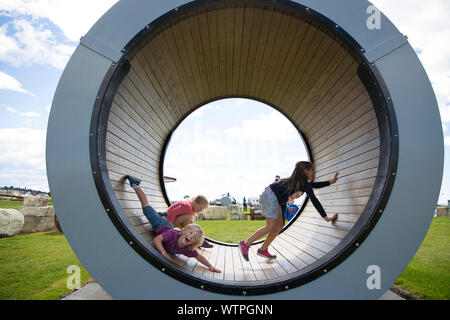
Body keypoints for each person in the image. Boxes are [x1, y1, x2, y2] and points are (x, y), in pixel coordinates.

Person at [239, 161, 339, 261]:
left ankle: (263, 249)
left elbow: (314, 185)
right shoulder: (302, 183)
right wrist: (325, 217)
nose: (313, 172)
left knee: (279, 226)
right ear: (305, 171)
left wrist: (331, 182)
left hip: (276, 199)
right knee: (270, 226)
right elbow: (314, 199)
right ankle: (245, 244)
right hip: (270, 196)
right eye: (312, 169)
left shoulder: (301, 183)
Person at [125, 176, 221, 273]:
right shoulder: (173, 234)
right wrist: (164, 253)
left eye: (195, 238)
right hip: (161, 224)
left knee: (190, 221)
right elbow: (157, 239)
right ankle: (135, 185)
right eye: (191, 233)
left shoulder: (187, 248)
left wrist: (210, 266)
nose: (191, 237)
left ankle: (163, 216)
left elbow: (199, 257)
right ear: (183, 231)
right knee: (146, 207)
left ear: (193, 243)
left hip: (169, 225)